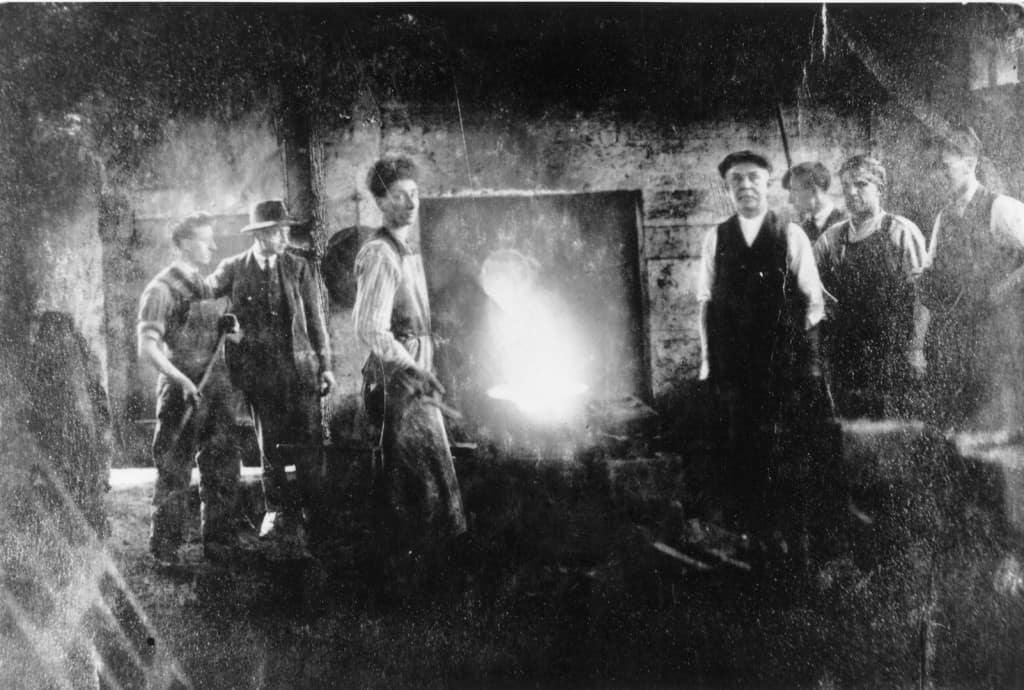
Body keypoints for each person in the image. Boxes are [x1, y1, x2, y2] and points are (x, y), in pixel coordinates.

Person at [696, 150, 826, 545]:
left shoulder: (790, 233)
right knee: (742, 451)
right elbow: (706, 301)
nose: (746, 186)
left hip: (782, 369)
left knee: (786, 452)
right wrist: (709, 363)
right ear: (727, 188)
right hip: (735, 370)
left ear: (767, 183)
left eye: (753, 177)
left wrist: (794, 353)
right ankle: (752, 540)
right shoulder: (715, 237)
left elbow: (813, 303)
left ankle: (791, 540)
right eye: (737, 180)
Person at [353, 156, 466, 587]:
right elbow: (369, 328)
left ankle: (425, 575)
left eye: (414, 195)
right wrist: (413, 366)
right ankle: (405, 583)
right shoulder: (380, 253)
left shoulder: (405, 250)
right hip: (396, 379)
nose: (410, 203)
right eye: (399, 196)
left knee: (430, 475)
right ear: (381, 202)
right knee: (411, 478)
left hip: (416, 370)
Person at [207, 200, 335, 554]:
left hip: (300, 372)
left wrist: (326, 366)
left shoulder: (298, 267)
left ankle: (312, 513)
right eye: (278, 231)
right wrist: (224, 326)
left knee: (309, 444)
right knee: (271, 447)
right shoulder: (232, 268)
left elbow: (316, 321)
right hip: (259, 375)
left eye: (286, 230)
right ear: (261, 234)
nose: (285, 237)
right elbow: (203, 293)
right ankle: (277, 513)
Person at [137, 212, 241, 564]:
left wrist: (228, 324)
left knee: (223, 464)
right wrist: (180, 380)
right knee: (174, 470)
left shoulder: (207, 286)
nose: (212, 245)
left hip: (216, 385)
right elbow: (147, 346)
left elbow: (219, 328)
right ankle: (166, 549)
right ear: (182, 243)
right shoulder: (161, 289)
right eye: (204, 239)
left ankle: (220, 545)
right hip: (181, 388)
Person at [920, 128, 1024, 430]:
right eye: (935, 167)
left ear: (970, 163)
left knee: (998, 418)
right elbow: (932, 270)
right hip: (959, 336)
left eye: (945, 165)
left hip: (1000, 333)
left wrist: (1004, 287)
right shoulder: (944, 216)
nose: (939, 174)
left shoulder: (1001, 207)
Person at [813, 155, 929, 417]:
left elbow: (923, 296)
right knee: (851, 431)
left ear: (880, 188)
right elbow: (802, 277)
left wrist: (917, 348)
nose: (852, 192)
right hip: (848, 354)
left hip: (893, 352)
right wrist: (826, 302)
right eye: (846, 186)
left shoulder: (899, 231)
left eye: (861, 184)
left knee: (892, 430)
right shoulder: (833, 238)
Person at [783, 161, 848, 243]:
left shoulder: (845, 225)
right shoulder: (803, 228)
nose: (790, 200)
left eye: (795, 191)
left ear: (815, 191)